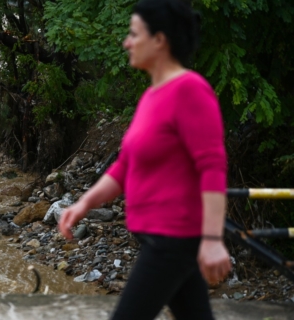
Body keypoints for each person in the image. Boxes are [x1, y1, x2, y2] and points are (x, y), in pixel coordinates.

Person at [57, 0, 232, 319]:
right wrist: (83, 204)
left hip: (173, 239)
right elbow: (124, 167)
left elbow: (212, 167)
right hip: (160, 237)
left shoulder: (190, 90)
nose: (127, 42)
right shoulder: (152, 95)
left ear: (159, 40)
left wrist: (211, 239)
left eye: (134, 33)